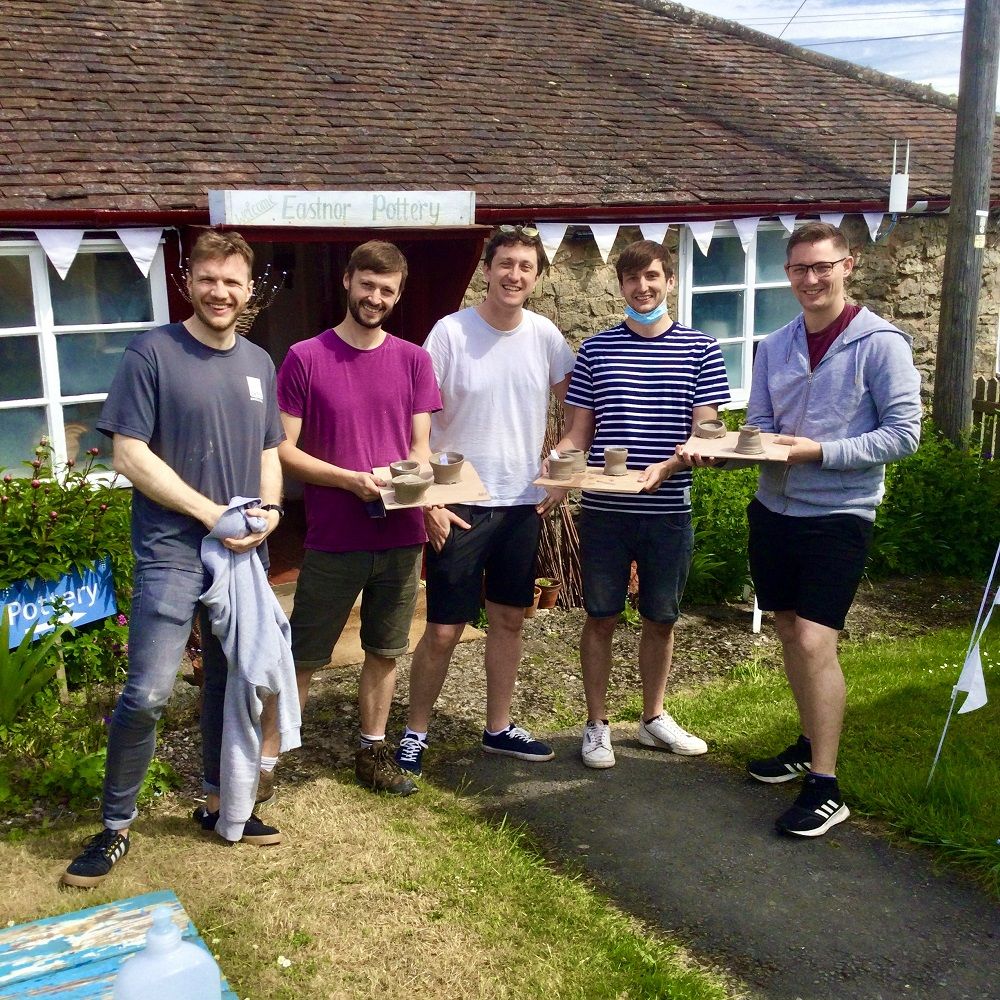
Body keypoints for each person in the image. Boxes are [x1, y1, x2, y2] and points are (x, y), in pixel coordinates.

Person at [63, 230, 287, 888]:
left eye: (233, 282)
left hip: (242, 553)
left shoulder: (257, 364)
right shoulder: (152, 354)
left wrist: (269, 513)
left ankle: (221, 806)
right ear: (190, 281)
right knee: (152, 690)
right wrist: (207, 514)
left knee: (232, 682)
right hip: (171, 551)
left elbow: (270, 453)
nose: (221, 292)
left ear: (249, 291)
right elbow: (130, 455)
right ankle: (114, 827)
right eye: (210, 279)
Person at [693, 221, 921, 837]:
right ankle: (805, 741)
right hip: (773, 512)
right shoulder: (775, 344)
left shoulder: (882, 344)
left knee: (817, 639)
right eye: (799, 269)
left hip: (839, 514)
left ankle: (826, 784)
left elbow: (903, 436)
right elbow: (762, 424)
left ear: (848, 266)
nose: (812, 280)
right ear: (787, 274)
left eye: (824, 267)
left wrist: (817, 452)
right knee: (790, 629)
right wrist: (733, 451)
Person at [394, 225, 576, 777]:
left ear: (537, 276)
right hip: (461, 503)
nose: (514, 275)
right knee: (445, 628)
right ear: (488, 270)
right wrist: (426, 501)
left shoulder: (546, 336)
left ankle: (498, 728)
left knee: (509, 618)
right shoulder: (449, 334)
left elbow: (577, 416)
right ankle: (415, 733)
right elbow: (416, 427)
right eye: (505, 264)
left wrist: (562, 472)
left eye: (525, 266)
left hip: (522, 503)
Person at [261, 241, 441, 796]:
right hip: (335, 535)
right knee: (305, 653)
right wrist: (350, 479)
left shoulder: (414, 359)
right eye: (368, 285)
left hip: (400, 533)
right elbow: (281, 450)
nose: (376, 297)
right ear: (347, 281)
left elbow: (421, 448)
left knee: (386, 650)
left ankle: (371, 751)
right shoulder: (305, 357)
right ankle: (264, 765)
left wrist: (426, 494)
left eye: (387, 290)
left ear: (398, 294)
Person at [552, 239, 730, 770]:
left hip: (669, 510)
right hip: (605, 512)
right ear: (621, 286)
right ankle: (597, 725)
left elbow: (707, 431)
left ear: (669, 281)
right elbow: (577, 433)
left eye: (652, 277)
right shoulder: (596, 351)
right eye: (632, 279)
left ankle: (653, 718)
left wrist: (675, 464)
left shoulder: (701, 349)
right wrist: (554, 466)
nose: (643, 287)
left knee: (661, 618)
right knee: (601, 617)